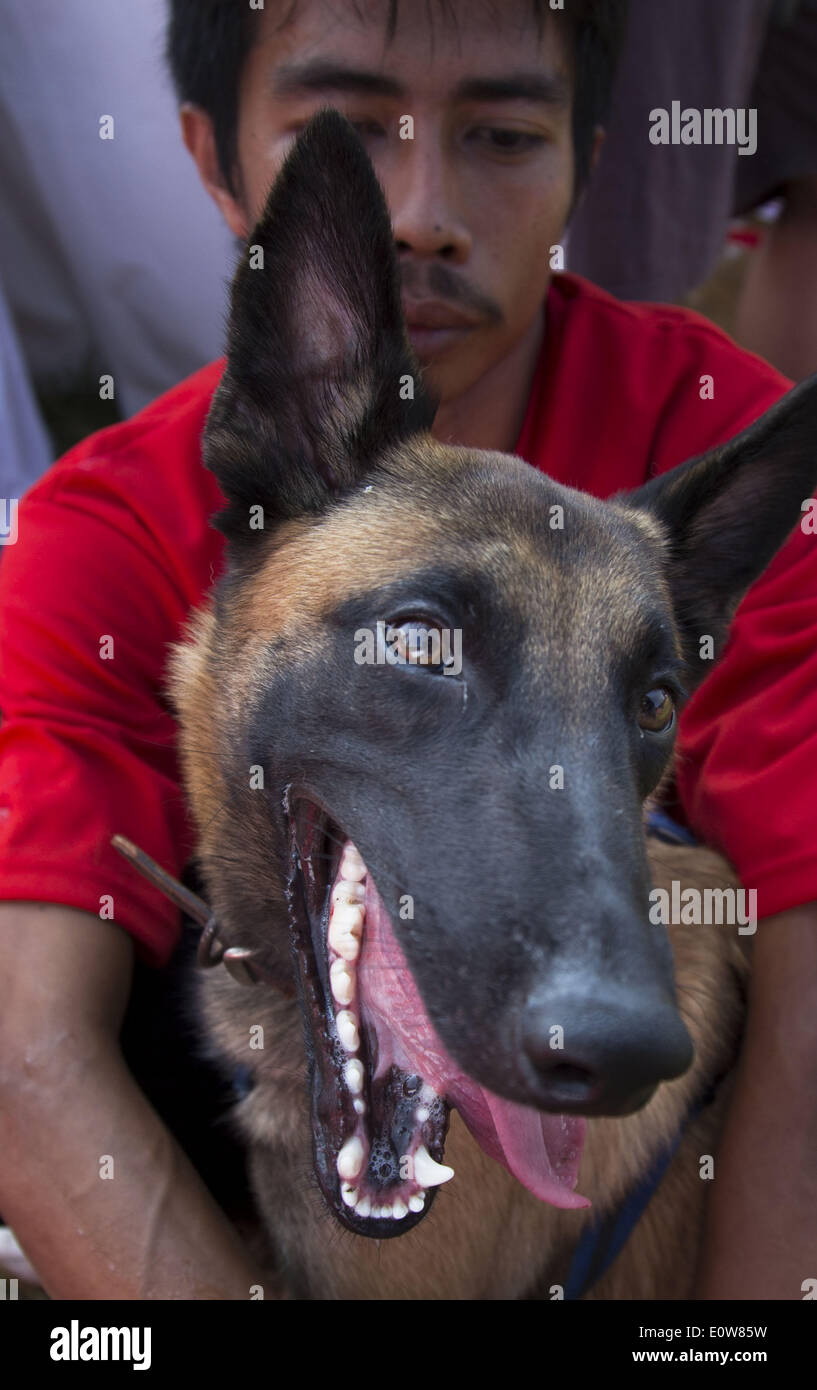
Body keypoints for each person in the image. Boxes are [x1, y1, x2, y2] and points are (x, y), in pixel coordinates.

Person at [0, 0, 815, 1300]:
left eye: (499, 135)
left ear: (584, 166)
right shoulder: (101, 527)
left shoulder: (707, 428)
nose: (426, 209)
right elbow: (20, 1050)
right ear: (210, 158)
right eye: (352, 127)